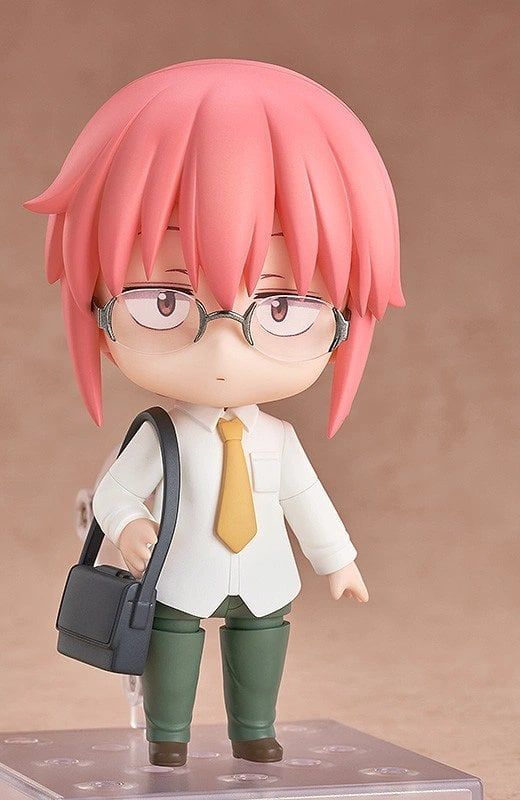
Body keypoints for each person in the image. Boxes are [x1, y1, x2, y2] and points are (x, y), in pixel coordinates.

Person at [25, 58, 404, 767]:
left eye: (282, 307)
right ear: (99, 308)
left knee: (262, 644)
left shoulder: (278, 438)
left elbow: (306, 500)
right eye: (164, 301)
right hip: (177, 574)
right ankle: (168, 737)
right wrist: (130, 527)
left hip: (265, 577)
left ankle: (253, 729)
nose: (226, 345)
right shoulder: (162, 435)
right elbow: (114, 491)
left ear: (344, 320)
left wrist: (338, 561)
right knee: (172, 649)